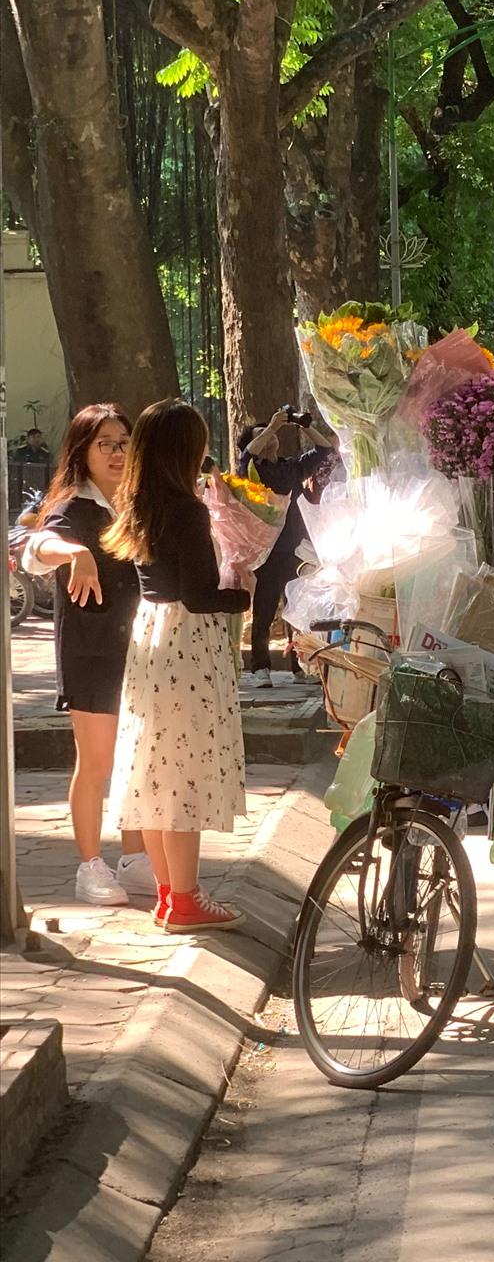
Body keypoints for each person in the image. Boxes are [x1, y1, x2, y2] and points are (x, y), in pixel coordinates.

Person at [101, 399, 253, 933]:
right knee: (185, 775)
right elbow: (200, 596)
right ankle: (185, 900)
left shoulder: (138, 504)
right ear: (185, 450)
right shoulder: (187, 510)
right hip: (188, 646)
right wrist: (244, 594)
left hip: (152, 640)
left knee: (159, 770)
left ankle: (170, 894)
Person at [19, 405, 155, 906]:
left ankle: (136, 858)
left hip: (140, 650)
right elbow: (37, 545)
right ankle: (90, 865)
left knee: (135, 759)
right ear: (83, 451)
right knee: (96, 761)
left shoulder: (134, 503)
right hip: (91, 652)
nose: (118, 453)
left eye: (124, 442)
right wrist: (76, 555)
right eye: (106, 444)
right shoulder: (75, 506)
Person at [237, 408, 338, 685]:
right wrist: (270, 427)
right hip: (267, 550)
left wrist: (302, 425)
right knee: (265, 609)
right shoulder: (252, 470)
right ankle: (260, 668)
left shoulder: (291, 466)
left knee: (297, 608)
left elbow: (326, 450)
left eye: (273, 435)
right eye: (262, 436)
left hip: (295, 547)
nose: (270, 439)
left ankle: (299, 667)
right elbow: (247, 456)